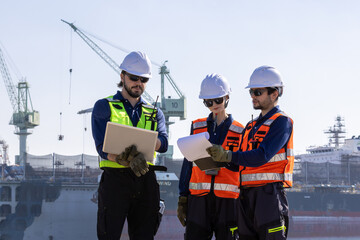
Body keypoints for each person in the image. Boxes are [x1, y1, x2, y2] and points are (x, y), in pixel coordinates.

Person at [207, 66, 294, 240]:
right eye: (251, 92)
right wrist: (218, 159)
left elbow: (262, 155)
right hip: (245, 197)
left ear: (274, 94)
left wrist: (228, 155)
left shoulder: (281, 122)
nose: (253, 96)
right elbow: (240, 162)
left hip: (268, 197)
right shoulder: (250, 126)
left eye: (257, 92)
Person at [91, 51, 168, 240]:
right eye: (134, 78)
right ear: (122, 76)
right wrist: (121, 158)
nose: (138, 83)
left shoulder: (154, 112)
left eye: (144, 79)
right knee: (108, 235)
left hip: (146, 179)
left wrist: (150, 143)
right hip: (115, 181)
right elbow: (101, 147)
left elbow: (164, 143)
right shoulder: (104, 106)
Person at [177, 73, 244, 240]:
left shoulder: (241, 131)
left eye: (218, 100)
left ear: (227, 97)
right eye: (208, 102)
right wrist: (183, 196)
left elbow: (243, 167)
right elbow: (188, 163)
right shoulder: (197, 126)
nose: (214, 105)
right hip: (199, 201)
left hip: (229, 203)